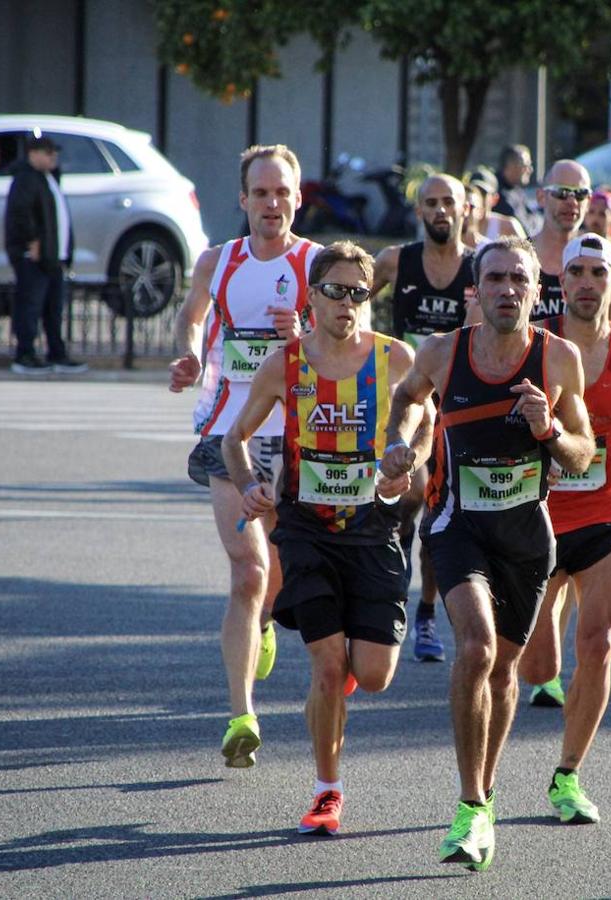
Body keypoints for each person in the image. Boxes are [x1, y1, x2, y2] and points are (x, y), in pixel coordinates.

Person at [380, 236, 594, 871]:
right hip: (457, 524)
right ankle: (470, 803)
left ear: (536, 290)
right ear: (475, 290)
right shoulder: (444, 353)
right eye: (494, 278)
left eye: (518, 279)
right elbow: (406, 398)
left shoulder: (559, 360)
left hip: (527, 537)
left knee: (503, 672)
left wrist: (548, 429)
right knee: (473, 646)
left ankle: (487, 793)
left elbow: (583, 453)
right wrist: (399, 444)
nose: (506, 289)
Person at [222, 240, 429, 836]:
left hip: (373, 528)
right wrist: (249, 486)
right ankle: (326, 789)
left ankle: (335, 686)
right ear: (312, 295)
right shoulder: (285, 364)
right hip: (306, 529)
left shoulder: (395, 358)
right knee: (327, 663)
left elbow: (426, 421)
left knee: (376, 670)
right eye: (335, 291)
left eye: (359, 294)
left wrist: (407, 457)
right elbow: (235, 438)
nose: (347, 304)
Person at [169, 144, 322, 768]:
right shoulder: (218, 262)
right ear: (243, 200)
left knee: (278, 571)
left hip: (298, 437)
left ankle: (260, 627)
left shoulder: (317, 264)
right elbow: (192, 318)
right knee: (248, 571)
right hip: (228, 431)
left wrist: (304, 337)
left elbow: (353, 341)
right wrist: (189, 356)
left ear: (297, 197)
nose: (272, 203)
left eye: (282, 192)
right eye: (261, 193)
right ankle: (241, 715)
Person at [518, 234, 611, 823]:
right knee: (538, 668)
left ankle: (568, 775)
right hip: (537, 514)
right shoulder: (536, 347)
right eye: (575, 272)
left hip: (606, 510)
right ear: (561, 284)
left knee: (601, 643)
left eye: (596, 273)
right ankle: (546, 628)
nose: (585, 282)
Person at [372, 173, 477, 661]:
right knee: (408, 500)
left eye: (448, 203)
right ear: (418, 212)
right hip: (408, 398)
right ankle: (391, 589)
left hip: (456, 404)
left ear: (465, 210)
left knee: (440, 517)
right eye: (430, 203)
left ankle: (428, 613)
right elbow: (346, 296)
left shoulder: (480, 268)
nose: (440, 211)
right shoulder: (396, 261)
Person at [3, 132, 86, 375]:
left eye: (55, 153)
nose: (54, 157)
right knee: (30, 305)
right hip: (36, 257)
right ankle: (25, 354)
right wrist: (32, 241)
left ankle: (56, 353)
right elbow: (20, 214)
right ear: (33, 154)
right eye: (49, 152)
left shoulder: (49, 178)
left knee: (53, 308)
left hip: (54, 256)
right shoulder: (26, 179)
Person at [528, 159, 592, 322]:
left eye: (580, 194)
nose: (572, 202)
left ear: (589, 201)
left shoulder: (596, 259)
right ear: (541, 197)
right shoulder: (520, 257)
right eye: (561, 193)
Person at [464, 167, 525, 248]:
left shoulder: (508, 226)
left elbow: (526, 257)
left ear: (495, 199)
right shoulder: (459, 226)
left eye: (483, 194)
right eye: (475, 192)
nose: (478, 199)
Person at [491, 143, 540, 235]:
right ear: (510, 166)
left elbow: (534, 219)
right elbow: (524, 230)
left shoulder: (516, 190)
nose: (530, 170)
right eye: (525, 165)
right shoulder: (498, 194)